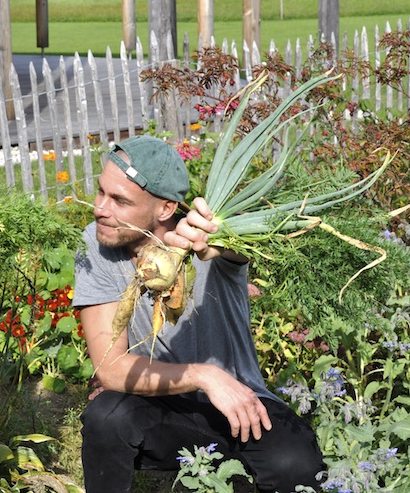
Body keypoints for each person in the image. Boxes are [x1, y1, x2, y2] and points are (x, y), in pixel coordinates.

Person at [73, 135, 326, 492]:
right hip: (158, 402)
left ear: (164, 209)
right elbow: (110, 368)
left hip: (239, 401)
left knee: (297, 466)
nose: (100, 208)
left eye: (119, 200)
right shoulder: (98, 241)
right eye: (101, 192)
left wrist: (220, 243)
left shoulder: (207, 238)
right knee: (106, 417)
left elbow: (233, 250)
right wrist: (205, 375)